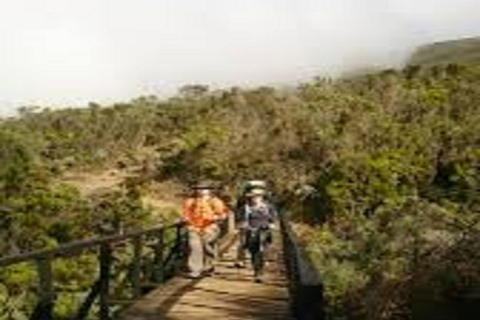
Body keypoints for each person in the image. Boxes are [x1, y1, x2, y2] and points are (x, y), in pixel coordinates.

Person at [182, 182, 229, 279]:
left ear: (210, 190)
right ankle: (195, 270)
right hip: (194, 227)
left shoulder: (215, 201)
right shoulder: (190, 201)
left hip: (210, 227)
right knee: (195, 247)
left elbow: (223, 214)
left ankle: (209, 266)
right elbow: (186, 213)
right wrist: (187, 221)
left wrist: (215, 219)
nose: (202, 191)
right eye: (199, 188)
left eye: (204, 189)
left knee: (207, 246)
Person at [238, 188, 277, 282]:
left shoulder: (268, 207)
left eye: (258, 196)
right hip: (252, 232)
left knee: (263, 252)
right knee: (254, 253)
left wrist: (271, 224)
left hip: (264, 231)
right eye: (253, 197)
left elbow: (273, 217)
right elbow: (241, 219)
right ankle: (257, 272)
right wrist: (244, 225)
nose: (255, 199)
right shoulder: (246, 208)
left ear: (262, 197)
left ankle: (261, 272)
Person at [234, 180, 268, 268]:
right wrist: (239, 222)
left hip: (259, 224)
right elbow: (238, 210)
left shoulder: (265, 198)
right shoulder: (243, 199)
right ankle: (241, 259)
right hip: (245, 222)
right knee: (243, 241)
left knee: (261, 242)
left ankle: (261, 259)